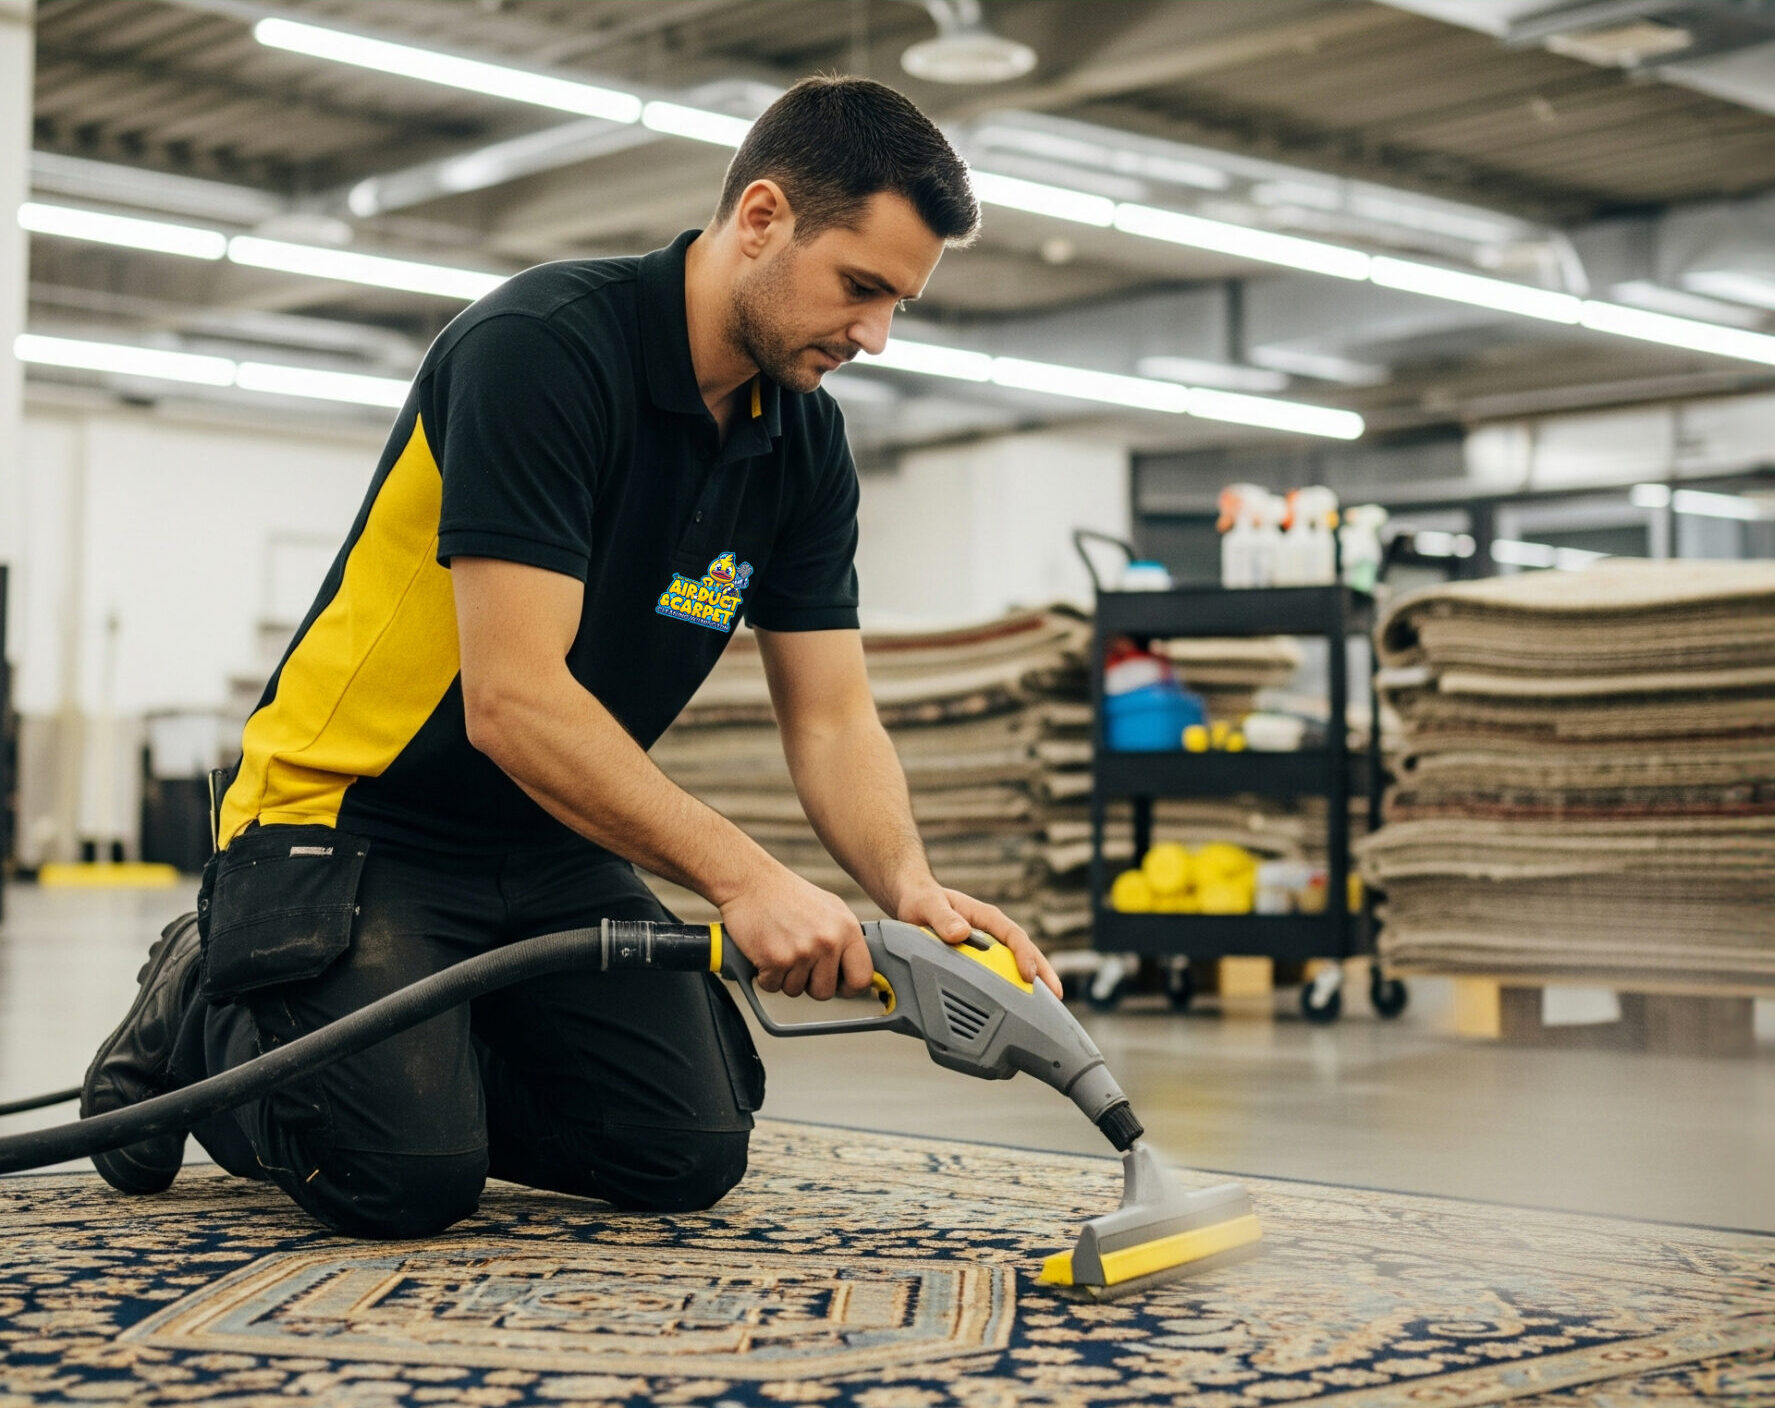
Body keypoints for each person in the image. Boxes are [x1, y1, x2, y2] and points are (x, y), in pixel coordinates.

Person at [82, 74, 1062, 1240]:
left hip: (548, 840)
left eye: (898, 303)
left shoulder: (802, 445)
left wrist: (908, 888)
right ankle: (215, 988)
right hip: (347, 823)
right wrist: (748, 878)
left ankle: (407, 1049)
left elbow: (833, 718)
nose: (874, 335)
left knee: (685, 1147)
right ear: (760, 219)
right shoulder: (540, 351)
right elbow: (514, 701)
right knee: (403, 1176)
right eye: (860, 288)